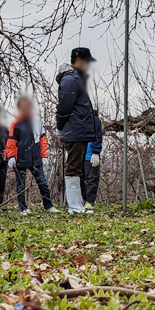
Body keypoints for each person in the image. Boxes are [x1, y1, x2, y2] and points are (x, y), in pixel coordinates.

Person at [55, 47, 97, 214]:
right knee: (73, 166)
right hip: (75, 130)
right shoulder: (70, 80)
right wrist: (61, 124)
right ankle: (74, 206)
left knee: (77, 166)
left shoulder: (75, 79)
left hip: (78, 129)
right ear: (79, 60)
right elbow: (64, 107)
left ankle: (77, 204)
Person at [6, 95, 56, 214]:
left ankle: (48, 205)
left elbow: (43, 140)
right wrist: (11, 156)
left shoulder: (37, 121)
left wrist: (44, 155)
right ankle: (23, 208)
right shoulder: (16, 123)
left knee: (42, 182)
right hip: (21, 158)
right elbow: (11, 141)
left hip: (35, 157)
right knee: (21, 185)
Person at [82, 109, 103, 210]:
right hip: (78, 154)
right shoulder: (76, 119)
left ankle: (89, 202)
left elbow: (98, 136)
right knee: (80, 180)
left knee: (91, 179)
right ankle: (82, 201)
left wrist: (96, 152)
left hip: (90, 154)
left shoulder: (95, 120)